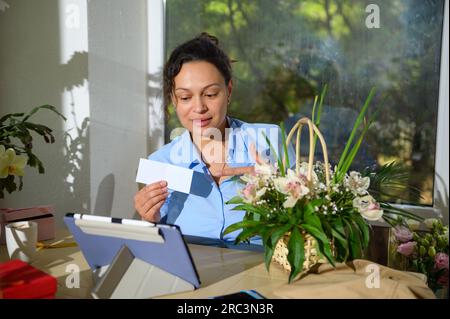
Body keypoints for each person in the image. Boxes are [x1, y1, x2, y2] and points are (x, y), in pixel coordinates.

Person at [134, 33, 293, 242]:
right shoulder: (161, 163)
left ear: (228, 90)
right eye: (185, 97)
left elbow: (305, 223)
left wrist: (274, 184)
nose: (199, 108)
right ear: (174, 99)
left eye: (210, 94)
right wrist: (150, 221)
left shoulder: (269, 142)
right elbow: (158, 248)